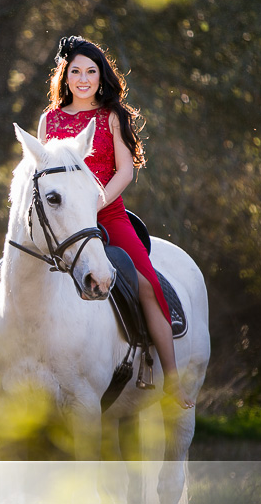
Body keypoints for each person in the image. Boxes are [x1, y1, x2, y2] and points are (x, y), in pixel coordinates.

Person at [37, 35, 195, 409]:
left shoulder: (111, 117)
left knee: (145, 283)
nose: (83, 78)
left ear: (101, 76)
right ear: (64, 76)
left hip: (106, 211)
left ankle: (170, 379)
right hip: (60, 219)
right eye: (75, 71)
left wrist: (95, 202)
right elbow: (40, 172)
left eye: (91, 71)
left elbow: (124, 170)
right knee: (12, 271)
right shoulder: (50, 119)